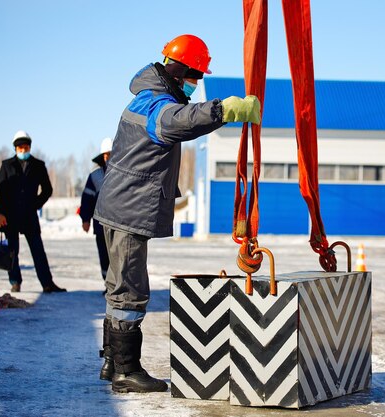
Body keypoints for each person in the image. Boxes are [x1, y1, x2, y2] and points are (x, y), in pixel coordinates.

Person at [94, 34, 261, 393]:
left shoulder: (145, 98)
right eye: (195, 76)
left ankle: (111, 362)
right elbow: (177, 122)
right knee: (129, 290)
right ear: (181, 70)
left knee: (117, 287)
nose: (195, 84)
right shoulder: (154, 104)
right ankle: (126, 371)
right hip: (127, 210)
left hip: (119, 206)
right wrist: (225, 110)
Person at [0, 130, 67, 293]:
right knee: (12, 251)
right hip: (10, 216)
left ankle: (47, 284)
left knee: (38, 251)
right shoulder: (6, 166)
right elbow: (2, 191)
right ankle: (15, 282)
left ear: (29, 147)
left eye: (26, 146)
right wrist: (0, 213)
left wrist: (36, 203)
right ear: (15, 148)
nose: (23, 150)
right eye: (20, 147)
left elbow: (47, 189)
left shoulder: (38, 165)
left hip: (29, 216)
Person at [79, 137, 112, 284]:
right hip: (100, 225)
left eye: (111, 154)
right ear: (102, 157)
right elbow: (87, 200)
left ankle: (118, 284)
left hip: (120, 225)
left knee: (118, 256)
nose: (109, 158)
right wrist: (85, 219)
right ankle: (108, 283)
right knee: (104, 256)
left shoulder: (124, 175)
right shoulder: (95, 176)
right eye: (106, 155)